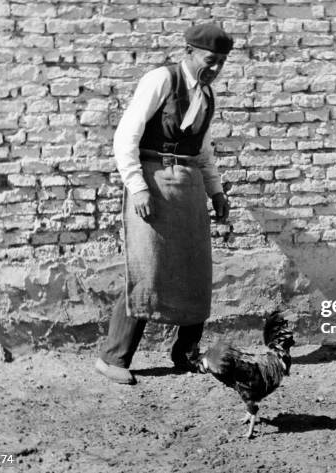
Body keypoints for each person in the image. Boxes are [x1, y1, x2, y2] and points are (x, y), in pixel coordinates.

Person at [95, 24, 233, 385]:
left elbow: (203, 152)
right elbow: (127, 135)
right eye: (210, 61)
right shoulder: (161, 80)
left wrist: (216, 192)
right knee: (148, 269)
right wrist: (137, 186)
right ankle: (114, 357)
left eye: (221, 63)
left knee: (195, 268)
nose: (215, 69)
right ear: (188, 51)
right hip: (152, 181)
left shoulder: (207, 95)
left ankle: (185, 353)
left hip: (188, 185)